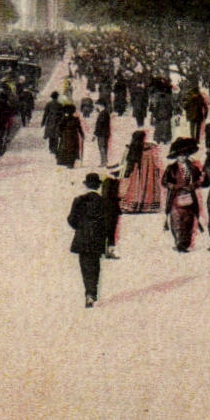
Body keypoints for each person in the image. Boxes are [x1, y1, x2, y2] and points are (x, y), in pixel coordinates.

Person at [67, 173, 113, 308]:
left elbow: (71, 219)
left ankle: (88, 292)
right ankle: (92, 292)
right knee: (95, 265)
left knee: (85, 266)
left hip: (82, 238)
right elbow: (108, 223)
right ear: (98, 186)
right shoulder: (104, 201)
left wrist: (81, 228)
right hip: (97, 239)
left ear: (86, 185)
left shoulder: (79, 200)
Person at [118, 130, 163, 213]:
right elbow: (156, 162)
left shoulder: (132, 148)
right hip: (148, 174)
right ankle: (147, 205)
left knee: (134, 188)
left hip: (136, 174)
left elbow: (128, 163)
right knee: (147, 187)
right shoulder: (151, 148)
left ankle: (133, 205)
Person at [54, 103, 83, 169]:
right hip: (73, 136)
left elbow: (59, 127)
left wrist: (59, 134)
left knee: (66, 149)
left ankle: (68, 163)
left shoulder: (64, 119)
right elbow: (79, 128)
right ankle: (71, 163)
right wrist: (82, 134)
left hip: (66, 136)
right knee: (72, 150)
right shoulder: (75, 119)